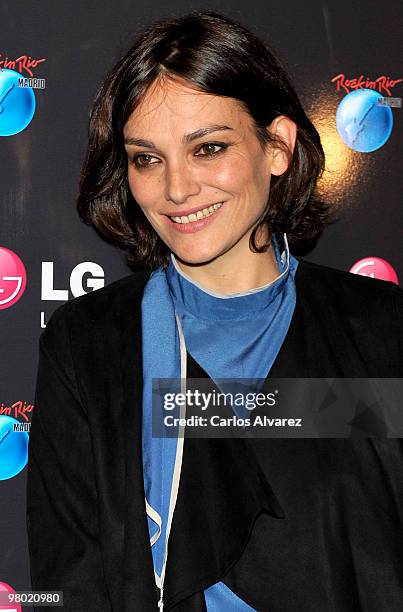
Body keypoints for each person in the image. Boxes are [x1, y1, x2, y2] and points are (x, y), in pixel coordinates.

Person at [26, 9, 403, 612]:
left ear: (276, 146)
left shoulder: (382, 330)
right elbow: (68, 578)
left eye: (209, 148)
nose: (176, 189)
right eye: (146, 158)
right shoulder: (88, 346)